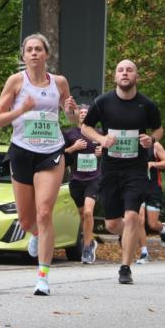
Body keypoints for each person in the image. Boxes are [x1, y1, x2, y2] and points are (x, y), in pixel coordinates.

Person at [0, 33, 77, 294]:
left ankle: (43, 277)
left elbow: (73, 120)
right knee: (28, 220)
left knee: (44, 213)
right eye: (29, 50)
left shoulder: (59, 82)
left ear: (46, 54)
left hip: (50, 151)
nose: (33, 54)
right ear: (23, 55)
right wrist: (22, 110)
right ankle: (37, 235)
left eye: (38, 49)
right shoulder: (16, 82)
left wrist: (73, 111)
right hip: (21, 151)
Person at [81, 60, 163, 285]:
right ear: (115, 76)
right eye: (121, 70)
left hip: (136, 169)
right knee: (112, 224)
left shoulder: (146, 105)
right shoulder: (103, 102)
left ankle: (125, 268)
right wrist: (101, 139)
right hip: (111, 168)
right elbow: (85, 127)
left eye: (129, 70)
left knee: (133, 216)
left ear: (136, 76)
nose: (125, 73)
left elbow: (158, 128)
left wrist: (151, 139)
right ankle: (130, 235)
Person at [62, 103, 102, 264]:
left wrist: (102, 152)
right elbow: (60, 153)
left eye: (88, 112)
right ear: (77, 115)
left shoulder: (98, 134)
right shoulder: (70, 134)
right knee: (82, 215)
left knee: (87, 212)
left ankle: (86, 249)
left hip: (94, 179)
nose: (84, 114)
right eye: (82, 111)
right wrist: (74, 147)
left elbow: (111, 152)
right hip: (76, 181)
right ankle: (90, 241)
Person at [134, 140, 165, 264]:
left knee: (152, 223)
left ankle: (162, 229)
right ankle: (144, 253)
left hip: (153, 189)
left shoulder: (154, 145)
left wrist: (153, 164)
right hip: (136, 188)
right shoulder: (130, 145)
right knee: (139, 220)